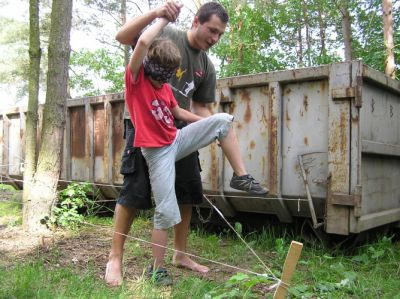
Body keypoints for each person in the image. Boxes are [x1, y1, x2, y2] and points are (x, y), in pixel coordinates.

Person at [105, 1, 268, 286]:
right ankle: (116, 258)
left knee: (192, 183)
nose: (215, 38)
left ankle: (241, 179)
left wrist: (210, 129)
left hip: (175, 134)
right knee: (136, 194)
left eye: (220, 34)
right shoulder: (141, 72)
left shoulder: (193, 71)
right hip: (148, 139)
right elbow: (136, 40)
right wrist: (160, 15)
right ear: (197, 21)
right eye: (212, 30)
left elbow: (185, 111)